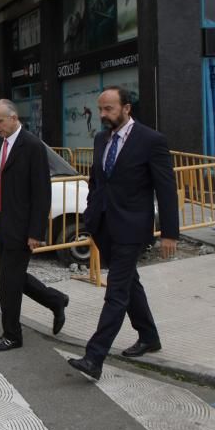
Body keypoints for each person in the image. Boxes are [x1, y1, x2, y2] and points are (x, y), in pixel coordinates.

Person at [67, 86, 179, 380]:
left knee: (116, 291)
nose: (103, 115)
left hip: (132, 227)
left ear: (126, 108)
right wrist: (91, 213)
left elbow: (166, 189)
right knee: (130, 282)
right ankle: (149, 336)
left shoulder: (152, 141)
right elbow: (97, 180)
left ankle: (94, 357)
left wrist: (170, 232)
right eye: (101, 109)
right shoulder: (101, 138)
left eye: (109, 109)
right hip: (105, 224)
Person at [0, 99, 69, 352]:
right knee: (12, 276)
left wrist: (36, 232)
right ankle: (55, 300)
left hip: (21, 226)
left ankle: (12, 335)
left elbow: (42, 192)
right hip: (3, 220)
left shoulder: (32, 145)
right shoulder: (1, 142)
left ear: (13, 117)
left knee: (9, 283)